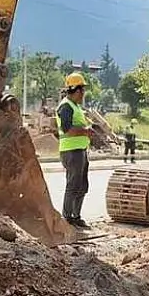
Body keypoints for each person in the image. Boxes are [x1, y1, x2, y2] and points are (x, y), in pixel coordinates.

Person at [56, 72, 94, 228]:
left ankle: (76, 216)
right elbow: (67, 129)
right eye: (82, 90)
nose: (83, 94)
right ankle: (68, 218)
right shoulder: (66, 106)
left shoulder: (75, 106)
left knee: (82, 185)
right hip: (72, 151)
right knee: (73, 185)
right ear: (77, 90)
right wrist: (86, 131)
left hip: (80, 150)